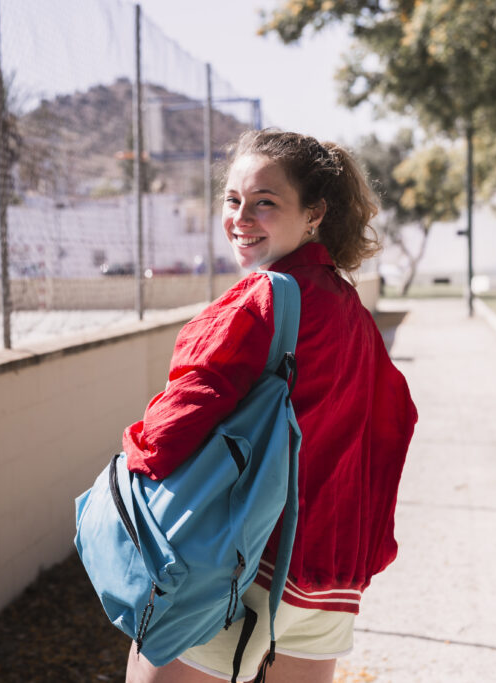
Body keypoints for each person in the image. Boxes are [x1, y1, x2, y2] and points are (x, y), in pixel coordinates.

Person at [122, 129, 418, 683]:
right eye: (232, 200)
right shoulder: (351, 311)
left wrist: (129, 457)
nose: (241, 217)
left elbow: (165, 438)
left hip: (242, 564)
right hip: (329, 577)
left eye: (265, 202)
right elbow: (392, 424)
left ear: (314, 214)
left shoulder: (260, 300)